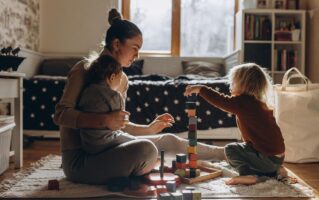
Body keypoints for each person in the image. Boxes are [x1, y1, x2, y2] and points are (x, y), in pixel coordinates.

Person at [54, 8, 225, 185]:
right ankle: (143, 168)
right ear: (116, 44)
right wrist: (104, 120)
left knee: (168, 140)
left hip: (110, 147)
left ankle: (226, 153)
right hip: (81, 160)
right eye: (135, 48)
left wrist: (149, 129)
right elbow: (61, 115)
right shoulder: (83, 69)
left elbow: (119, 125)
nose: (137, 56)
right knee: (146, 150)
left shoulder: (123, 79)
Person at [184, 63, 286, 185]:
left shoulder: (244, 102)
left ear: (244, 85)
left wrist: (201, 89)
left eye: (233, 83)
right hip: (277, 157)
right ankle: (274, 171)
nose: (230, 86)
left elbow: (221, 100)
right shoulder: (257, 103)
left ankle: (252, 175)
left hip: (267, 158)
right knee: (243, 147)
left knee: (231, 149)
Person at [77, 55, 137, 154]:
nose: (121, 82)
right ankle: (153, 162)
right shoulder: (114, 95)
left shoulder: (86, 91)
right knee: (138, 142)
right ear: (112, 77)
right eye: (120, 79)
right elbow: (120, 124)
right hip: (106, 141)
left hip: (87, 143)